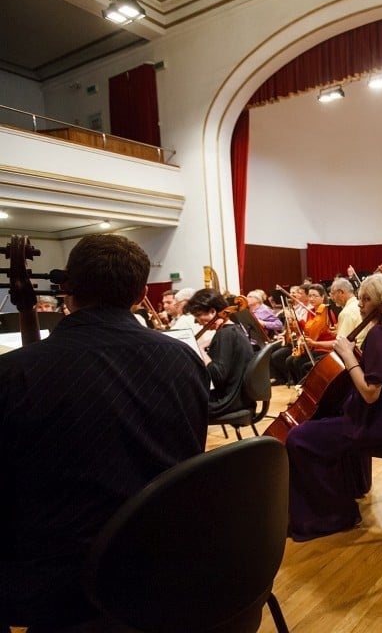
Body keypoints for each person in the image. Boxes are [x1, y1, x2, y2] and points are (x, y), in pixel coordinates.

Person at [0, 234, 209, 631]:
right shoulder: (184, 360)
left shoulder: (14, 375)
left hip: (62, 584)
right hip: (167, 556)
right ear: (141, 293)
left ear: (66, 288)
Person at [285, 274, 382, 540]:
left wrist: (348, 355)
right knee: (326, 423)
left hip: (377, 424)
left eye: (366, 299)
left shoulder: (380, 336)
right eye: (359, 298)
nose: (360, 304)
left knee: (299, 438)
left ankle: (335, 514)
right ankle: (351, 489)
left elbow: (371, 393)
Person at [186, 288, 255, 417]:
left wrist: (199, 349)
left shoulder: (224, 334)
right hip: (241, 398)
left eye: (198, 316)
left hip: (227, 401)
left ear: (213, 311)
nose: (198, 322)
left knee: (179, 404)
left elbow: (217, 376)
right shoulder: (233, 329)